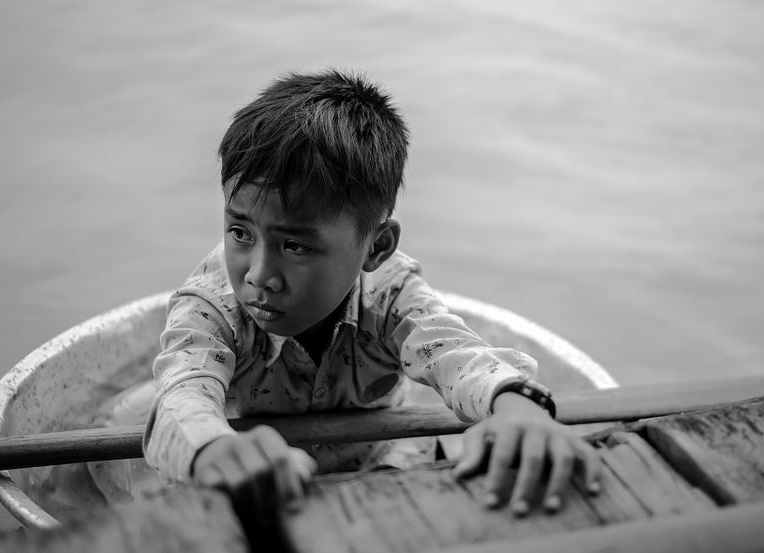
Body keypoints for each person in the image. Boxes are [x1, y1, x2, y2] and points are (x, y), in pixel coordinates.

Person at [141, 69, 600, 519]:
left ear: (377, 247)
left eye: (294, 246)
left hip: (379, 462)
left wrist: (517, 406)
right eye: (240, 232)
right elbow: (184, 396)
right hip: (260, 482)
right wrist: (213, 450)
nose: (260, 276)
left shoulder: (390, 295)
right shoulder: (210, 308)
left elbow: (457, 355)